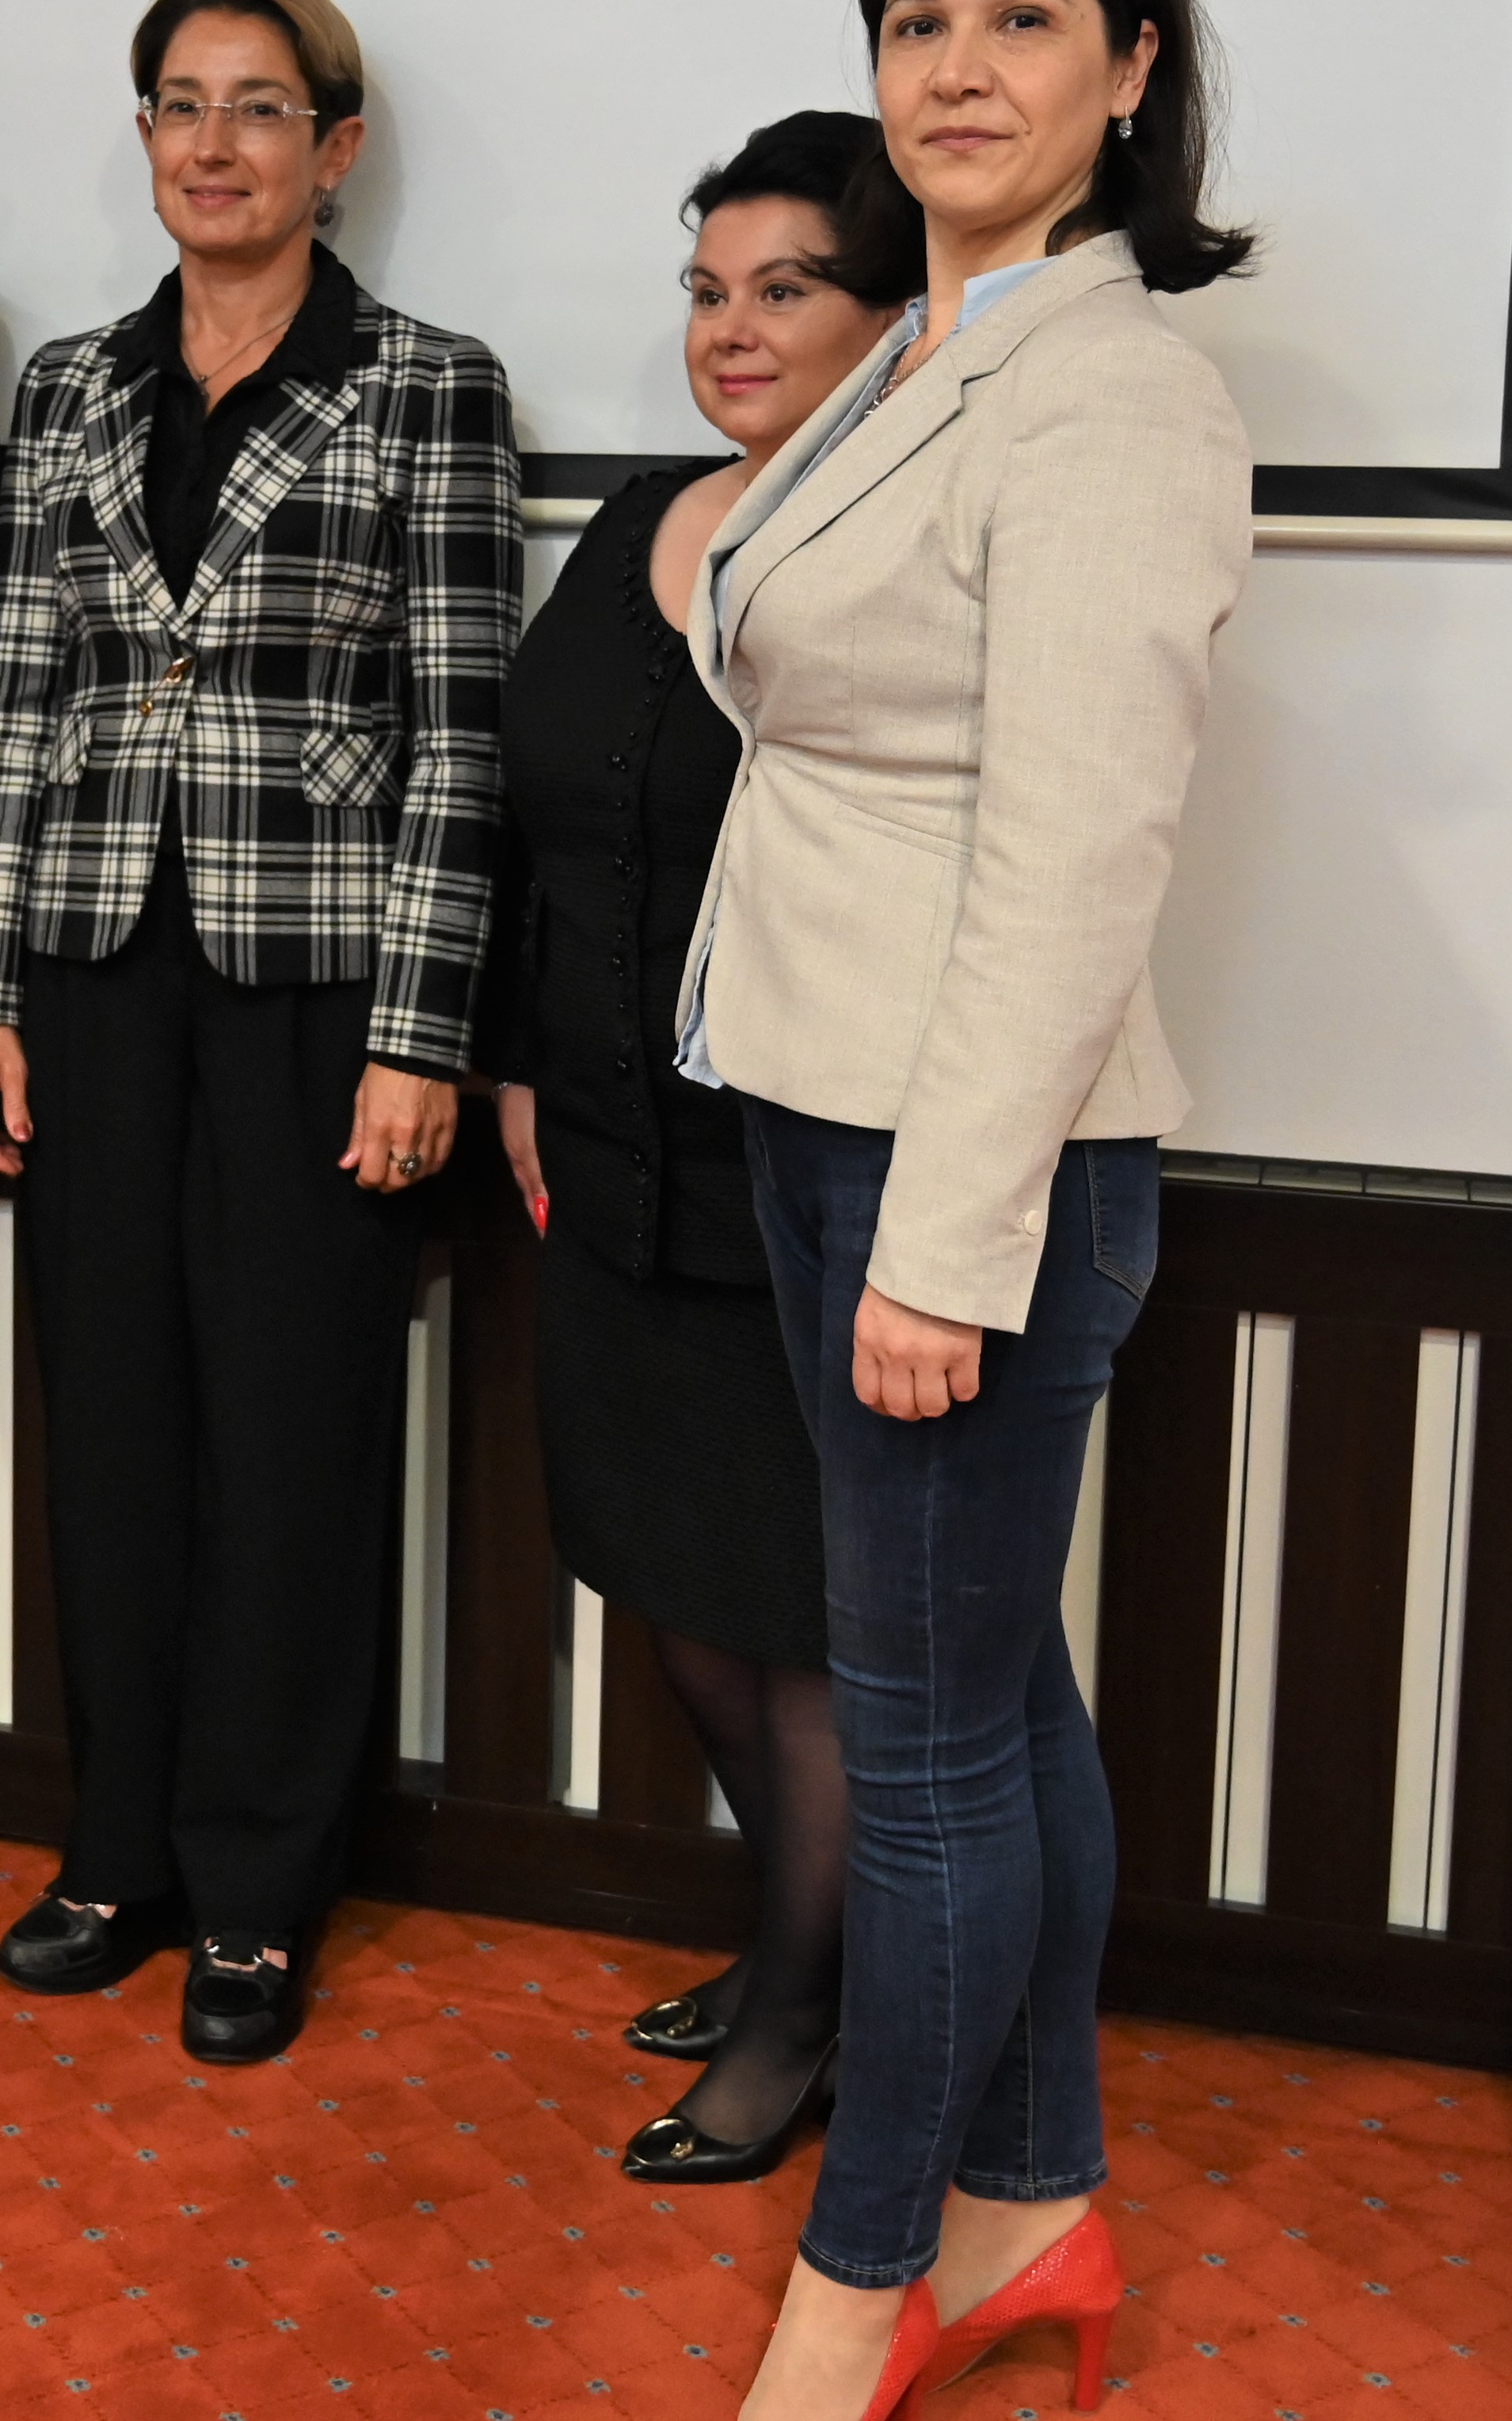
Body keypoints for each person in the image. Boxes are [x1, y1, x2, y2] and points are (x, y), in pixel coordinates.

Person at [687, 0, 1252, 2421]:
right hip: (833, 1114)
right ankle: (1034, 2202)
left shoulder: (1109, 387)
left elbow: (1073, 851)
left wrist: (945, 1237)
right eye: (914, 19)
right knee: (995, 1705)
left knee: (915, 1763)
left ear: (1129, 70)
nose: (954, 68)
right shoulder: (930, 354)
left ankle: (867, 2274)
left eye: (1023, 18)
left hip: (960, 1166)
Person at [0, 0, 521, 2065]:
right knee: (110, 1431)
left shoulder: (426, 385)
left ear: (333, 149)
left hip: (318, 992)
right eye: (178, 106)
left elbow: (462, 736)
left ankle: (259, 1888)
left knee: (288, 1441)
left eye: (260, 107)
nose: (213, 144)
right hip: (93, 974)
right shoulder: (72, 387)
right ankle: (118, 1849)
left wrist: (422, 1031)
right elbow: (19, 703)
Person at [485, 111, 902, 2185]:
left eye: (785, 289)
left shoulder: (899, 543)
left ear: (893, 315)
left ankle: (811, 2013)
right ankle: (791, 1949)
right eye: (706, 289)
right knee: (677, 1597)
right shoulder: (646, 513)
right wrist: (510, 1064)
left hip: (801, 1171)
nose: (730, 329)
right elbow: (536, 821)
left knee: (797, 1630)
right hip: (602, 1160)